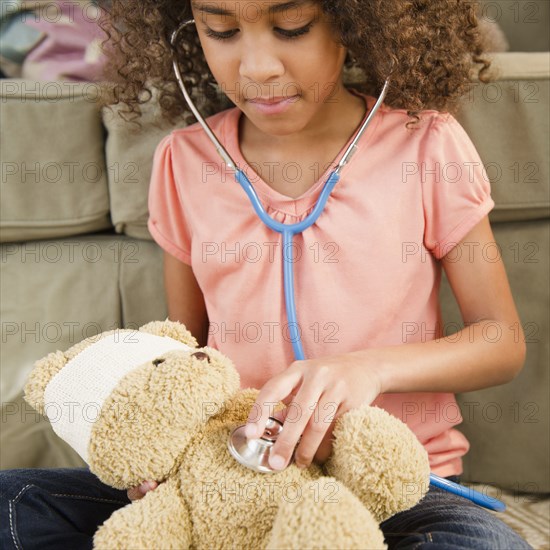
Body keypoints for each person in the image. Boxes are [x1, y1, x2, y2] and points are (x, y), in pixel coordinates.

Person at [0, 1, 533, 548]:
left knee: (485, 544)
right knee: (11, 501)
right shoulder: (182, 161)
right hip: (229, 481)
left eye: (291, 28)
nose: (257, 68)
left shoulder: (428, 145)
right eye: (223, 31)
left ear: (353, 25)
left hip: (397, 488)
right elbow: (185, 348)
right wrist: (160, 455)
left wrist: (367, 369)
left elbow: (500, 340)